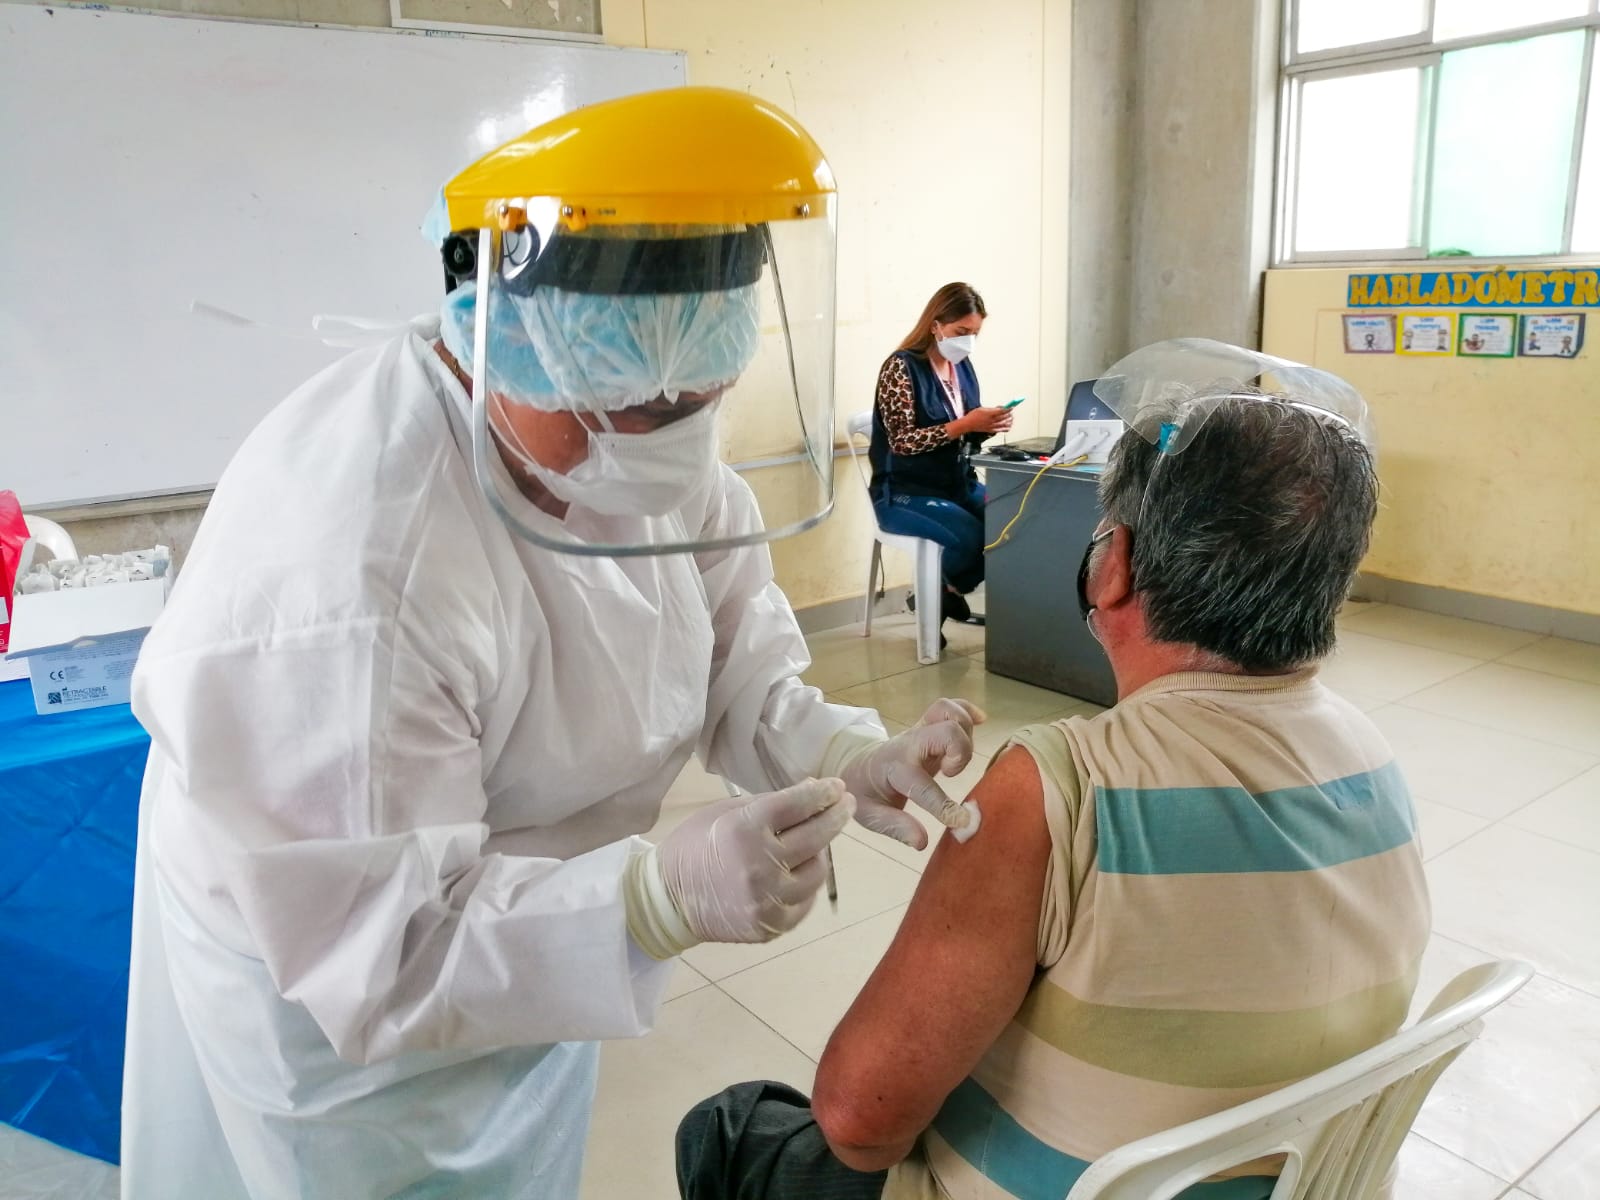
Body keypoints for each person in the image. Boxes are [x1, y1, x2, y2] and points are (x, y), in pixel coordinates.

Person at [120, 87, 985, 1200]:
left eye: (702, 400)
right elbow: (390, 951)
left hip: (535, 936)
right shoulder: (357, 568)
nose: (666, 446)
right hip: (342, 1014)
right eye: (634, 411)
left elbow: (729, 649)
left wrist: (837, 749)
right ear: (506, 344)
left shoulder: (637, 430)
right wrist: (653, 900)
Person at [677, 341, 1432, 1200]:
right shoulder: (1373, 758)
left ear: (1113, 567)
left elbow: (859, 1122)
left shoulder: (1056, 788)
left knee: (733, 1126)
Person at [868, 283, 1014, 631]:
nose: (968, 341)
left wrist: (988, 424)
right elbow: (902, 443)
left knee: (1010, 524)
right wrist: (966, 423)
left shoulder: (961, 367)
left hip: (957, 484)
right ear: (935, 325)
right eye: (961, 332)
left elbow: (964, 431)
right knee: (969, 539)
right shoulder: (900, 368)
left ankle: (943, 592)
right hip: (904, 492)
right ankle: (937, 595)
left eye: (975, 334)